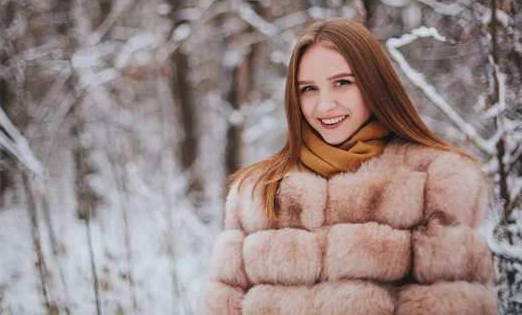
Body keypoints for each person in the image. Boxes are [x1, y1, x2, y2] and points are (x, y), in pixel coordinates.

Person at [200, 18, 498, 314]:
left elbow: (449, 305)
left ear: (374, 84)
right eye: (308, 89)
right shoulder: (257, 192)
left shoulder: (433, 182)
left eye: (342, 83)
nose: (325, 105)